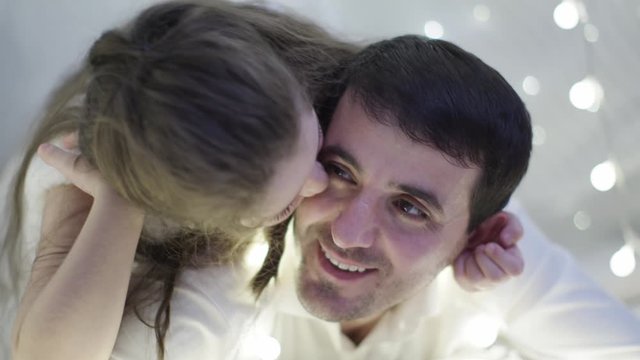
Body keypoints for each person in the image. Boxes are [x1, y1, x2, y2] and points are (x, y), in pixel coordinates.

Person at [0, 2, 524, 360]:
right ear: (215, 217)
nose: (320, 182)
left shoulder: (269, 75)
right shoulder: (89, 174)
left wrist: (460, 235)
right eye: (291, 193)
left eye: (323, 154)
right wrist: (120, 197)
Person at [257, 35, 640, 359]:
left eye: (408, 208)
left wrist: (500, 282)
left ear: (474, 236)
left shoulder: (492, 245)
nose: (347, 233)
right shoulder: (241, 240)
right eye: (341, 171)